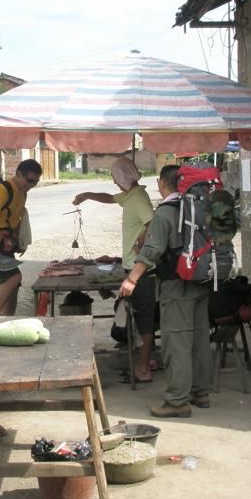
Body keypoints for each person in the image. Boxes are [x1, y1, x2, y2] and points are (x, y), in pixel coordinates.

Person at [120, 165, 212, 418]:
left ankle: (176, 401)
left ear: (162, 183)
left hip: (176, 284)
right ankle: (200, 392)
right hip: (201, 280)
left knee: (176, 342)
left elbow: (152, 250)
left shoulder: (166, 211)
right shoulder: (197, 206)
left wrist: (131, 279)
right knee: (200, 339)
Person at [73, 157, 157, 383]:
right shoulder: (130, 195)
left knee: (145, 321)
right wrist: (87, 195)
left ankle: (143, 368)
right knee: (136, 315)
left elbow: (152, 222)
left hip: (142, 269)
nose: (113, 181)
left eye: (114, 177)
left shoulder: (138, 198)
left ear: (122, 176)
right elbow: (110, 198)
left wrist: (141, 241)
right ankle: (143, 360)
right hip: (132, 265)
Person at [0, 158, 43, 315]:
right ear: (19, 174)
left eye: (35, 182)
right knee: (13, 278)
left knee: (14, 285)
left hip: (6, 246)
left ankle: (7, 320)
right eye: (29, 180)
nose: (31, 185)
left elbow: (16, 219)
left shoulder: (22, 193)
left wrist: (21, 242)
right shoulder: (2, 190)